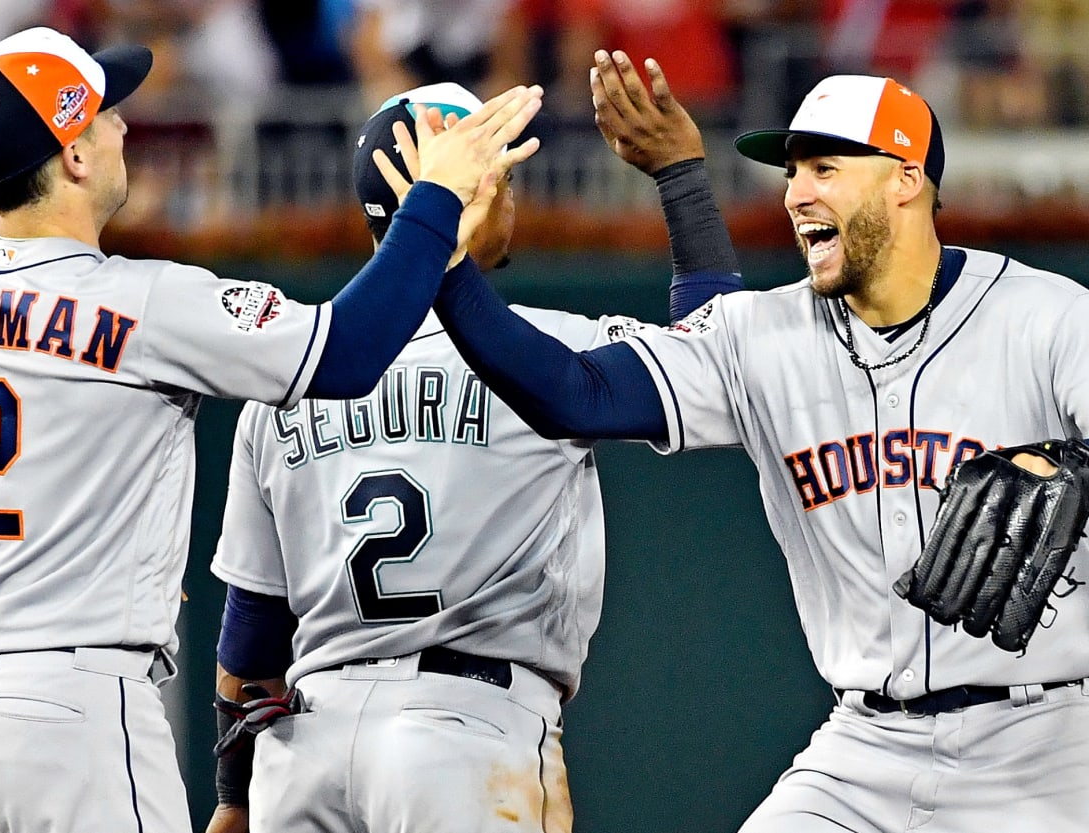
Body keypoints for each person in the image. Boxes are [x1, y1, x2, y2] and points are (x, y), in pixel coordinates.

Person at [423, 70, 1089, 832]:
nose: (796, 194)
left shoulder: (1043, 315)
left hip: (1039, 745)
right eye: (793, 172)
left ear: (904, 179)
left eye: (826, 168)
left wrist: (1077, 462)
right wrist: (447, 271)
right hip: (866, 747)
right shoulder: (760, 333)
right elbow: (576, 393)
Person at [0, 25, 542, 833]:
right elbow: (347, 353)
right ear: (74, 156)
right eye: (104, 113)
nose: (124, 124)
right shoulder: (143, 300)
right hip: (70, 709)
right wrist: (434, 200)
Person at [204, 55, 741, 833]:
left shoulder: (290, 375)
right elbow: (720, 359)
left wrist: (233, 792)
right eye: (505, 178)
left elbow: (251, 628)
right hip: (465, 731)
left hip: (306, 743)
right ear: (471, 190)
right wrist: (683, 178)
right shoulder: (550, 352)